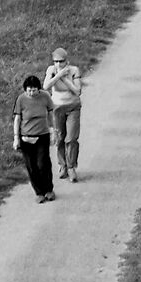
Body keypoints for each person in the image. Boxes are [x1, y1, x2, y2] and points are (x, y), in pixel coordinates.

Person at [42, 46, 84, 183]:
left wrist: (65, 78)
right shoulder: (51, 70)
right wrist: (59, 75)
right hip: (57, 107)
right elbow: (46, 86)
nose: (58, 64)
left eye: (61, 61)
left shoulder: (74, 71)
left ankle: (71, 166)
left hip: (73, 107)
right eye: (56, 61)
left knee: (71, 138)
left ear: (67, 61)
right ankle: (63, 165)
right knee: (60, 137)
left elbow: (77, 91)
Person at [11, 75, 55, 202]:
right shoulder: (21, 99)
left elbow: (51, 114)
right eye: (29, 90)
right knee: (31, 166)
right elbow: (17, 119)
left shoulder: (45, 96)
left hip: (42, 135)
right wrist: (16, 138)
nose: (31, 92)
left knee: (43, 163)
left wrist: (53, 130)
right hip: (26, 137)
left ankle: (48, 190)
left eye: (34, 90)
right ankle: (39, 192)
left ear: (38, 89)